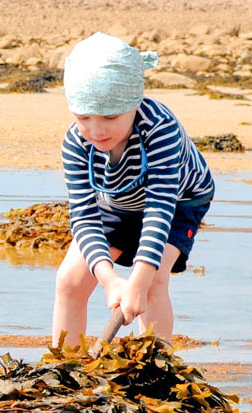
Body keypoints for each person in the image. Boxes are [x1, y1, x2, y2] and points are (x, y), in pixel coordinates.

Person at [52, 32, 216, 346]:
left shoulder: (159, 128)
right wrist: (109, 279)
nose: (96, 131)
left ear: (134, 103)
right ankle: (66, 368)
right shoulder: (76, 142)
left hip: (180, 200)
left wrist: (137, 284)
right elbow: (85, 218)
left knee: (153, 280)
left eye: (110, 117)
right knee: (70, 280)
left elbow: (159, 209)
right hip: (116, 201)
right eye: (84, 117)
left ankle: (157, 367)